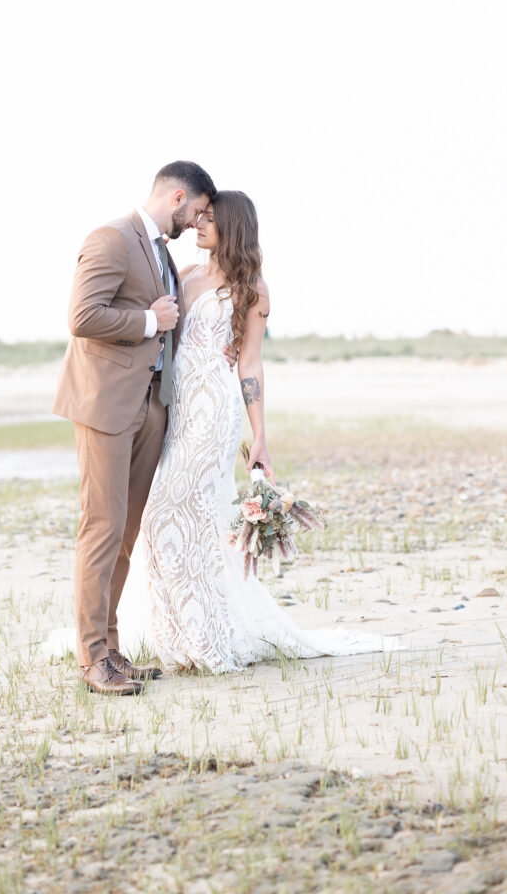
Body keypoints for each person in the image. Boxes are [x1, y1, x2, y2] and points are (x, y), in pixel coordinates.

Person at [137, 190, 404, 673]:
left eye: (209, 219)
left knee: (165, 513)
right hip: (177, 409)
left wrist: (259, 437)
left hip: (215, 411)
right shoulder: (186, 274)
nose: (197, 224)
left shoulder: (252, 288)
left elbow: (250, 362)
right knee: (181, 520)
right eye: (198, 216)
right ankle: (183, 632)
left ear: (232, 227)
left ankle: (205, 635)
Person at [49, 161, 236, 694]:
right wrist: (151, 321)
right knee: (102, 528)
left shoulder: (164, 254)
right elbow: (83, 317)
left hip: (151, 406)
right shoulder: (110, 238)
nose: (197, 222)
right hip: (106, 405)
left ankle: (110, 648)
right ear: (178, 197)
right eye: (197, 211)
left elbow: (178, 323)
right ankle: (92, 659)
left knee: (127, 532)